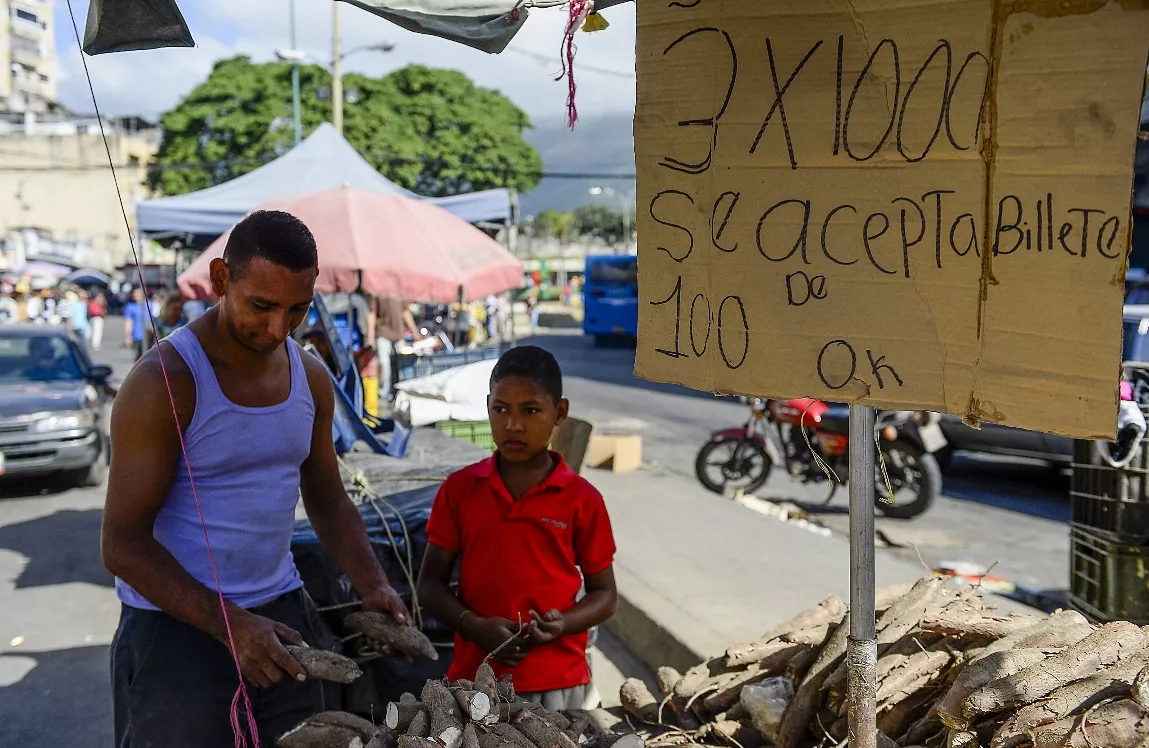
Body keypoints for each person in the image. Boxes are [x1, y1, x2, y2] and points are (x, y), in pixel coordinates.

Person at [102, 210, 413, 747]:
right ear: (221, 279)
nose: (277, 329)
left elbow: (327, 496)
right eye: (262, 306)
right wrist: (230, 626)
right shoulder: (166, 382)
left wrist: (374, 583)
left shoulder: (310, 377)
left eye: (298, 309)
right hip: (174, 630)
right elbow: (122, 544)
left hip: (282, 617)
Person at [417, 346, 618, 710]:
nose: (513, 424)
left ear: (560, 413)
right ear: (488, 408)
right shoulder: (460, 490)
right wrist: (474, 626)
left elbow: (605, 596)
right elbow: (430, 585)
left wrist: (563, 623)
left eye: (530, 410)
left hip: (557, 682)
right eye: (501, 409)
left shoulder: (581, 499)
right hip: (475, 680)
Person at [372, 295, 419, 402]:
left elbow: (405, 312)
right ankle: (384, 393)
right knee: (384, 364)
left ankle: (401, 390)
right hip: (382, 333)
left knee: (402, 365)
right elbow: (373, 313)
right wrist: (370, 337)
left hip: (398, 334)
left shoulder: (398, 292)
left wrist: (414, 331)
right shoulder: (377, 293)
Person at [123, 288, 146, 360]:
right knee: (139, 358)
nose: (136, 295)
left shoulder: (149, 305)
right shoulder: (130, 306)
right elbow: (128, 322)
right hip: (137, 335)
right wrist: (128, 336)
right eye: (135, 293)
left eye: (138, 293)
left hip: (148, 335)